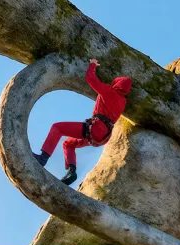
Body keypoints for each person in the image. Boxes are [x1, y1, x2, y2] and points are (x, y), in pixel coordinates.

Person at [33, 58, 133, 186]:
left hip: (95, 129)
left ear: (117, 83)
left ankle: (42, 159)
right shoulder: (123, 102)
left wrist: (93, 65)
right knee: (68, 144)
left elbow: (91, 79)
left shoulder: (110, 92)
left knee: (57, 128)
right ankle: (72, 172)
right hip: (103, 137)